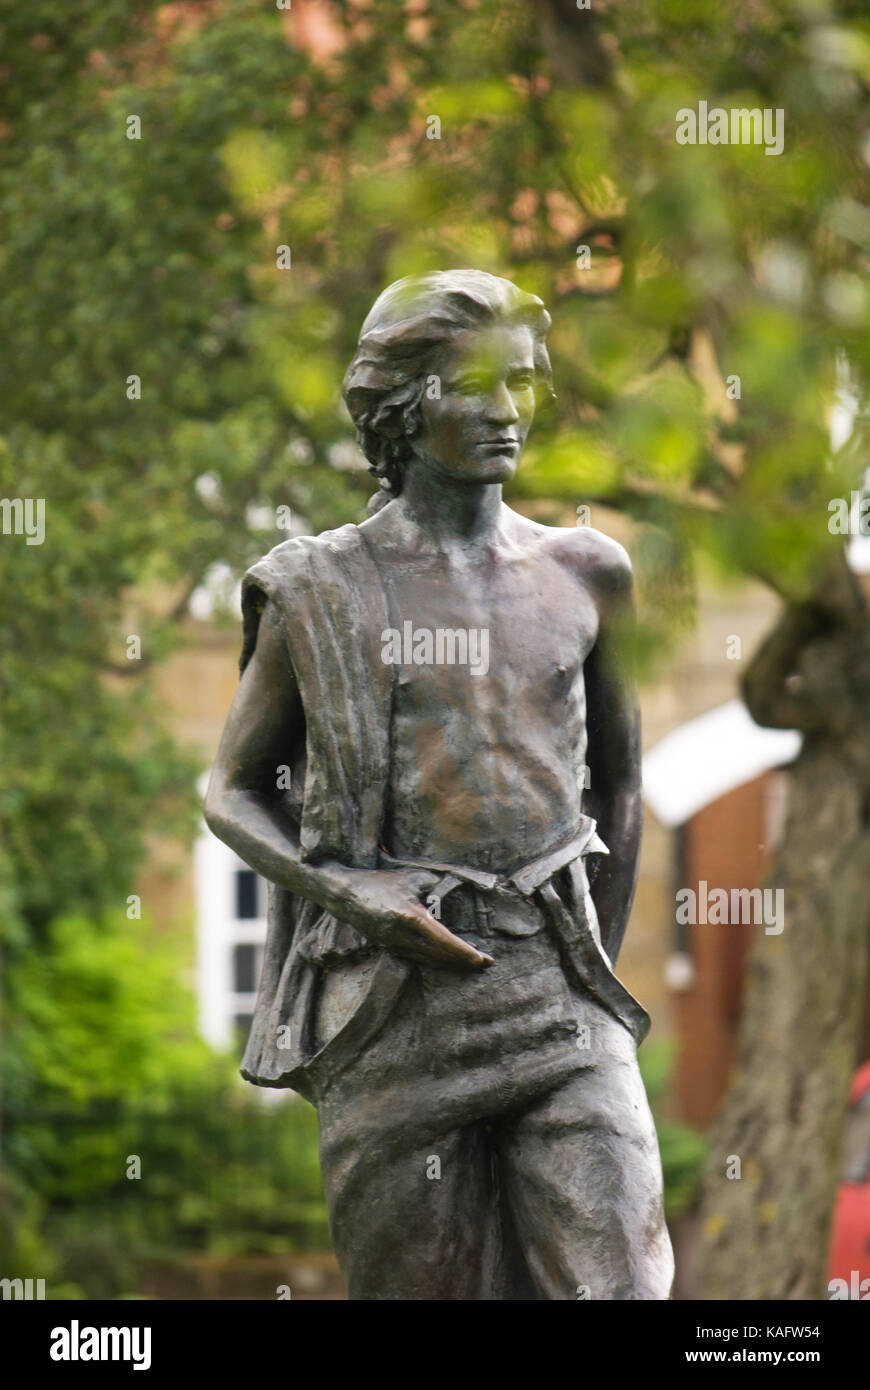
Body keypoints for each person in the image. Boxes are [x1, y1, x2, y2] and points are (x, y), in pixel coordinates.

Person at [205, 269, 674, 1300]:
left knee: (625, 1283)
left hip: (557, 994)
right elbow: (231, 789)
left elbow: (624, 783)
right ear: (405, 410)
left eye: (522, 384)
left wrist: (592, 960)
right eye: (477, 387)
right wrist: (352, 892)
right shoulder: (315, 588)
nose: (510, 413)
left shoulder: (589, 572)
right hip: (392, 1005)